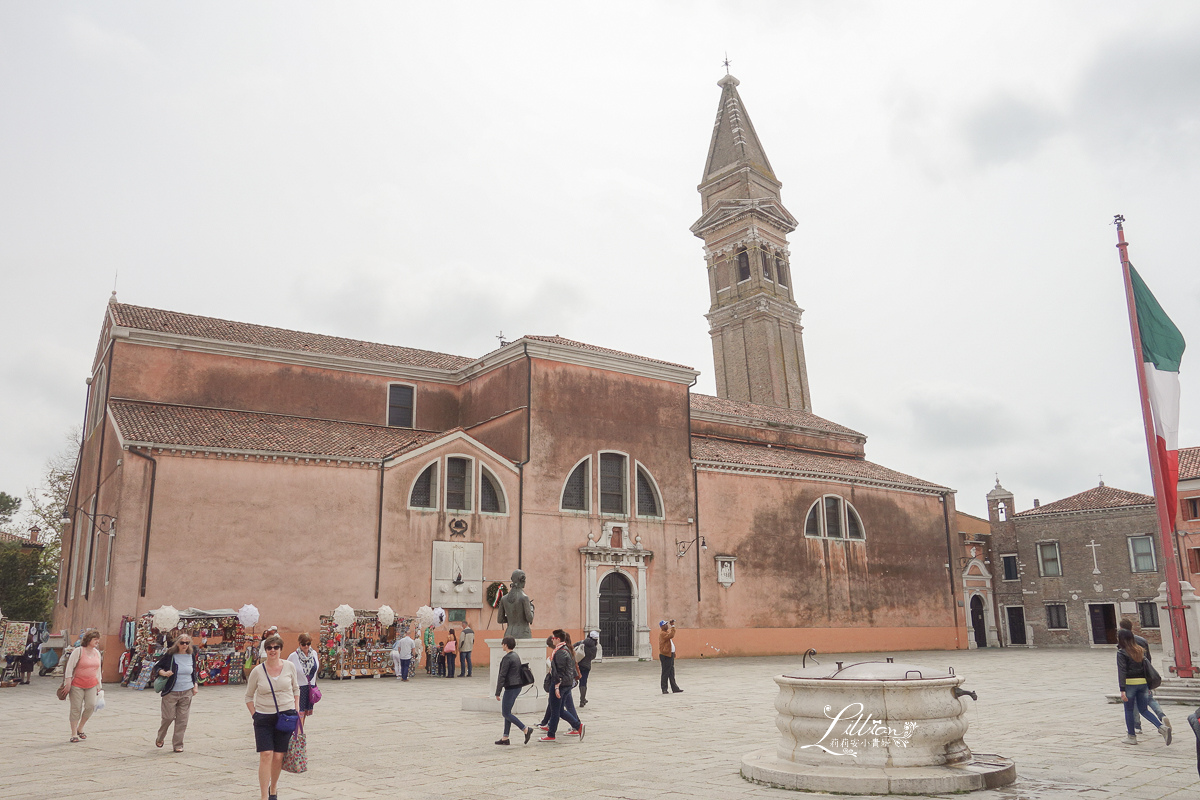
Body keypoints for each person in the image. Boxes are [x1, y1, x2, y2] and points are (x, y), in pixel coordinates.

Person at [245, 634, 300, 800]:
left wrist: (296, 710)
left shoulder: (289, 666)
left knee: (278, 756)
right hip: (263, 718)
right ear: (265, 650)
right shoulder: (257, 671)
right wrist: (256, 716)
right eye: (269, 648)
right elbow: (248, 697)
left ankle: (273, 788)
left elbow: (296, 689)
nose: (272, 650)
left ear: (281, 649)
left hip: (286, 717)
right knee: (266, 754)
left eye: (276, 647)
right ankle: (263, 796)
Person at [1117, 628, 1169, 745]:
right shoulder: (1140, 650)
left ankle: (1131, 736)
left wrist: (1122, 689)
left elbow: (1122, 671)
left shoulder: (1121, 652)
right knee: (1144, 709)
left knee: (1129, 710)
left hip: (1130, 684)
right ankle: (1162, 727)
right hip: (1143, 684)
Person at [153, 634, 198, 751]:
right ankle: (160, 737)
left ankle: (178, 745)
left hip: (187, 691)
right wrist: (164, 673)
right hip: (171, 691)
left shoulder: (191, 655)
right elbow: (157, 667)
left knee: (182, 720)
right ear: (177, 643)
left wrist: (195, 685)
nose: (184, 645)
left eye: (187, 643)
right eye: (182, 642)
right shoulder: (170, 655)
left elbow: (194, 672)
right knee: (168, 718)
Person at [541, 629, 583, 742]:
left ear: (558, 639)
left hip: (560, 684)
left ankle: (575, 726)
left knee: (556, 711)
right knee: (558, 710)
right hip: (566, 683)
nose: (552, 639)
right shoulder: (565, 650)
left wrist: (556, 686)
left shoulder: (560, 652)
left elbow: (558, 671)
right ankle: (553, 733)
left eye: (553, 638)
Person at [63, 629, 102, 743]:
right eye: (95, 639)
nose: (97, 642)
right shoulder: (78, 651)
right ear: (89, 640)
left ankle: (81, 727)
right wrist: (68, 682)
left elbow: (98, 669)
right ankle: (74, 733)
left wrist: (99, 684)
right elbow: (70, 667)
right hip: (77, 684)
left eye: (98, 640)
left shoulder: (97, 653)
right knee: (76, 708)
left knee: (91, 706)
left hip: (91, 683)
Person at [494, 636, 534, 745]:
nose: (502, 645)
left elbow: (502, 675)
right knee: (508, 712)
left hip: (511, 687)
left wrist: (497, 692)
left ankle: (525, 729)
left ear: (506, 645)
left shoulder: (507, 658)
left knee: (505, 713)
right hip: (517, 686)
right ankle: (505, 738)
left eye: (502, 644)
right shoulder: (515, 655)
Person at [287, 633, 320, 722]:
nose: (306, 646)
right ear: (299, 644)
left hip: (310, 688)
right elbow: (286, 671)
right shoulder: (293, 656)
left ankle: (300, 733)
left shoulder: (313, 654)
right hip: (299, 688)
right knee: (299, 713)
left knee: (304, 713)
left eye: (308, 644)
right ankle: (299, 734)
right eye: (303, 644)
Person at [659, 620, 682, 694]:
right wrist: (673, 626)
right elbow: (671, 635)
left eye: (666, 624)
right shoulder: (663, 633)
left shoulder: (666, 633)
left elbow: (670, 643)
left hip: (670, 654)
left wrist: (673, 652)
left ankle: (675, 688)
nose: (667, 625)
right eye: (665, 624)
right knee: (665, 672)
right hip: (665, 655)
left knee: (671, 672)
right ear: (662, 626)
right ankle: (664, 688)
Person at [577, 630, 598, 706]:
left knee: (575, 680)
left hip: (578, 664)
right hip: (586, 666)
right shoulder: (594, 648)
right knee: (583, 682)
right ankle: (582, 700)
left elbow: (572, 647)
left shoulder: (581, 642)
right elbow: (593, 657)